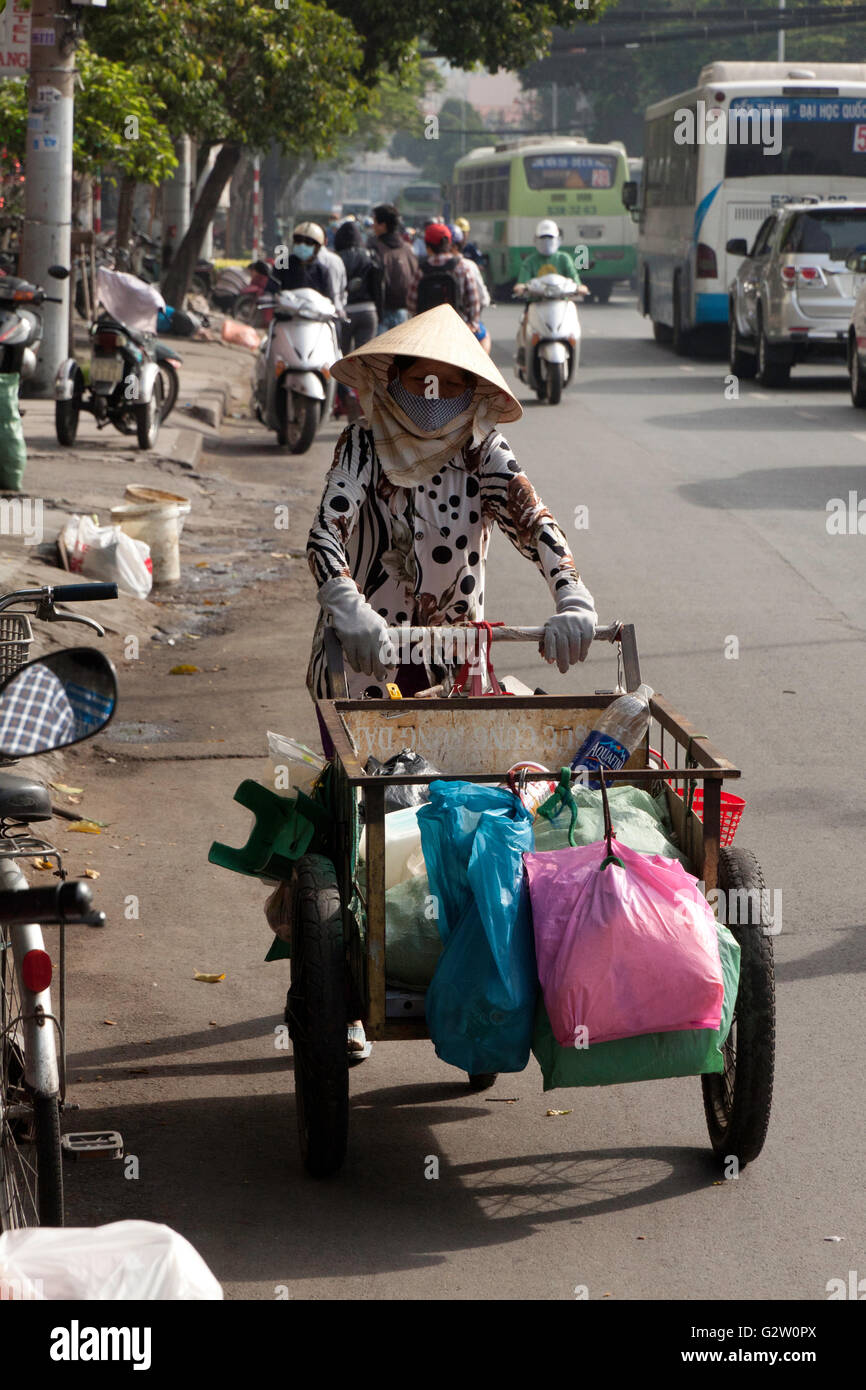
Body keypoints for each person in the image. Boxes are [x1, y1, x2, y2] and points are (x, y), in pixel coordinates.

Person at [306, 306, 597, 1060]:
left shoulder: (483, 451)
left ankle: (454, 951)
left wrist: (570, 594)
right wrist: (347, 605)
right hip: (362, 663)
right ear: (393, 380)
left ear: (471, 388)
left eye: (450, 381)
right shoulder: (363, 445)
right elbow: (325, 533)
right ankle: (344, 976)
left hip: (451, 664)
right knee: (365, 818)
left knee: (453, 808)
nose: (433, 393)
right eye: (419, 379)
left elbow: (539, 526)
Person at [333, 219, 383, 419]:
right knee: (365, 362)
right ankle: (364, 401)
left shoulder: (336, 259)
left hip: (344, 313)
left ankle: (345, 396)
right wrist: (378, 312)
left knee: (341, 359)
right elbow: (378, 288)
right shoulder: (370, 256)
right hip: (368, 312)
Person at [406, 223, 481, 336]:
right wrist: (473, 325)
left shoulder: (421, 270)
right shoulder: (462, 267)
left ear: (428, 247)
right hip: (456, 330)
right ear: (449, 244)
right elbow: (473, 302)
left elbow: (411, 303)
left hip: (426, 332)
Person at [370, 203, 418, 333]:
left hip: (380, 313)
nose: (372, 225)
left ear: (383, 225)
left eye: (375, 222)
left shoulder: (374, 249)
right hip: (404, 312)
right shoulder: (408, 249)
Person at [450, 223, 492, 355]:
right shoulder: (466, 266)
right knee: (485, 337)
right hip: (462, 325)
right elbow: (479, 299)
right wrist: (473, 323)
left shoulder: (424, 267)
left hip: (431, 328)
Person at [273, 222, 334, 301]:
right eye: (298, 241)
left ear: (317, 247)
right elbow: (271, 288)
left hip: (313, 312)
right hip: (285, 311)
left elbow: (329, 299)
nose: (302, 245)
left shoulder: (322, 271)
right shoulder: (282, 264)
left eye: (308, 243)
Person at [516, 219, 584, 286]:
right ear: (535, 240)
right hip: (536, 296)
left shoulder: (564, 258)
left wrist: (579, 287)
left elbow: (574, 278)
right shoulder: (530, 261)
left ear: (558, 239)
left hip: (561, 296)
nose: (546, 241)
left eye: (550, 237)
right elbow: (522, 282)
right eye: (543, 237)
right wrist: (521, 287)